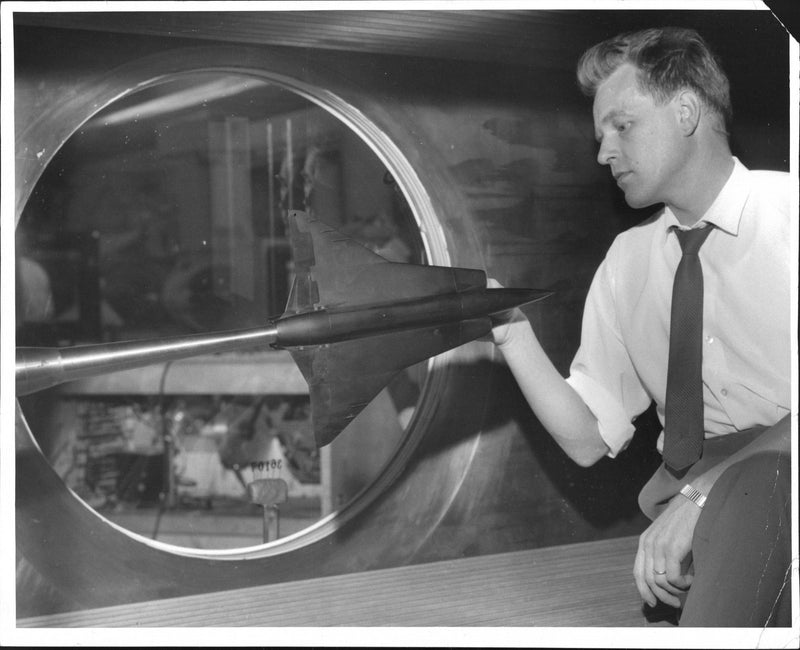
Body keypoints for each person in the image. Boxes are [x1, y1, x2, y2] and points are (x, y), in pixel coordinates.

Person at [490, 27, 792, 626]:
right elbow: (586, 439)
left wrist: (704, 494)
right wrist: (509, 328)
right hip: (697, 515)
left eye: (621, 126)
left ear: (686, 111)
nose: (603, 152)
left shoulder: (793, 216)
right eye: (600, 133)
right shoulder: (627, 261)